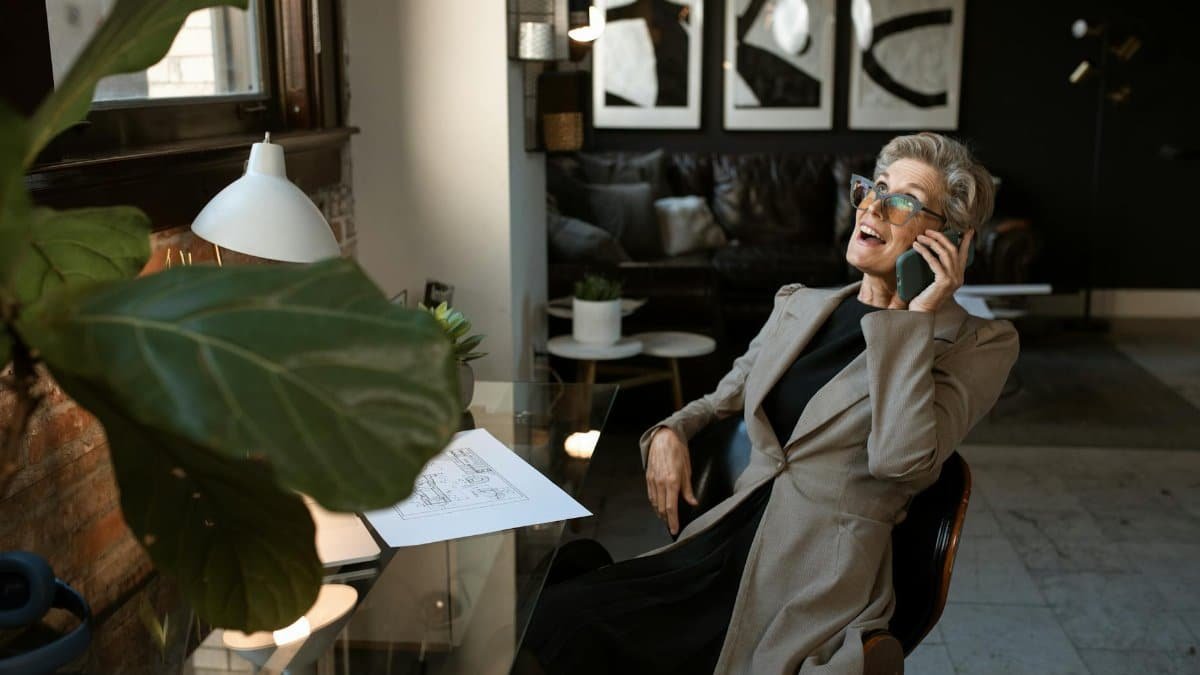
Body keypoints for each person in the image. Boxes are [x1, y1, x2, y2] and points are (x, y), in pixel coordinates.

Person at [523, 132, 1020, 675]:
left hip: (811, 584)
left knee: (574, 636)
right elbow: (722, 399)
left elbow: (898, 461)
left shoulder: (978, 344)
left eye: (903, 201)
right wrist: (668, 431)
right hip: (720, 548)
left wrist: (913, 318)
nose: (873, 208)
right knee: (548, 619)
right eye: (875, 188)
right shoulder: (796, 305)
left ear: (948, 240)